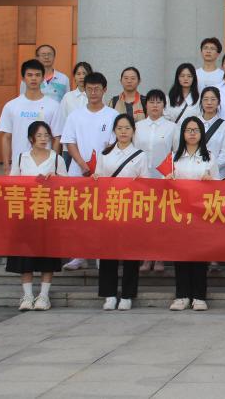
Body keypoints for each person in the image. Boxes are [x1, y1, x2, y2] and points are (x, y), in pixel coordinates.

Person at [6, 121, 65, 311]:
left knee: (48, 254)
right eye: (39, 135)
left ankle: (44, 296)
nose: (43, 139)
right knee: (25, 255)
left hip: (48, 214)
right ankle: (28, 295)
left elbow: (67, 186)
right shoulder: (21, 158)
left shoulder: (56, 159)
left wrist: (55, 180)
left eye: (46, 135)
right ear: (31, 138)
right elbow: (12, 183)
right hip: (26, 214)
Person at [94, 114, 148, 311]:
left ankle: (127, 295)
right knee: (108, 253)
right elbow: (99, 179)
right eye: (119, 128)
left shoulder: (140, 155)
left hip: (131, 209)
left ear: (133, 131)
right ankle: (109, 294)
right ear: (114, 131)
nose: (123, 132)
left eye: (127, 128)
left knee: (131, 254)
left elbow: (145, 184)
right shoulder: (105, 154)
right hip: (110, 208)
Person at [167, 117, 218, 311]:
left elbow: (218, 185)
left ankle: (199, 296)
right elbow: (165, 183)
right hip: (179, 214)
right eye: (188, 130)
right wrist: (168, 179)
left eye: (196, 130)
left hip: (201, 214)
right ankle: (181, 296)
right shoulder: (174, 157)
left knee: (199, 255)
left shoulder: (209, 157)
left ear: (201, 133)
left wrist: (210, 180)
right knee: (180, 255)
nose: (192, 133)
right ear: (182, 133)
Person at [0, 59, 64, 174]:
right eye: (29, 75)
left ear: (43, 78)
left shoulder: (54, 106)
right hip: (18, 165)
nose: (33, 78)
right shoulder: (11, 106)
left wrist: (54, 164)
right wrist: (6, 164)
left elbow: (57, 138)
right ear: (23, 78)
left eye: (37, 75)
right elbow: (6, 137)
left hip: (45, 168)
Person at [134, 89, 174, 272]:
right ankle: (145, 256)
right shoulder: (138, 127)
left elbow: (175, 154)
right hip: (141, 179)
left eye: (159, 102)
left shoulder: (172, 127)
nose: (155, 105)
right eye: (151, 102)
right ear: (146, 105)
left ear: (164, 105)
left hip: (163, 180)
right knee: (144, 220)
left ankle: (160, 257)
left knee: (161, 220)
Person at [197, 86, 225, 178]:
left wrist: (209, 169)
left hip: (217, 175)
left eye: (213, 99)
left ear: (218, 102)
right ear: (201, 102)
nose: (209, 103)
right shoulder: (194, 124)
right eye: (205, 99)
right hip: (195, 173)